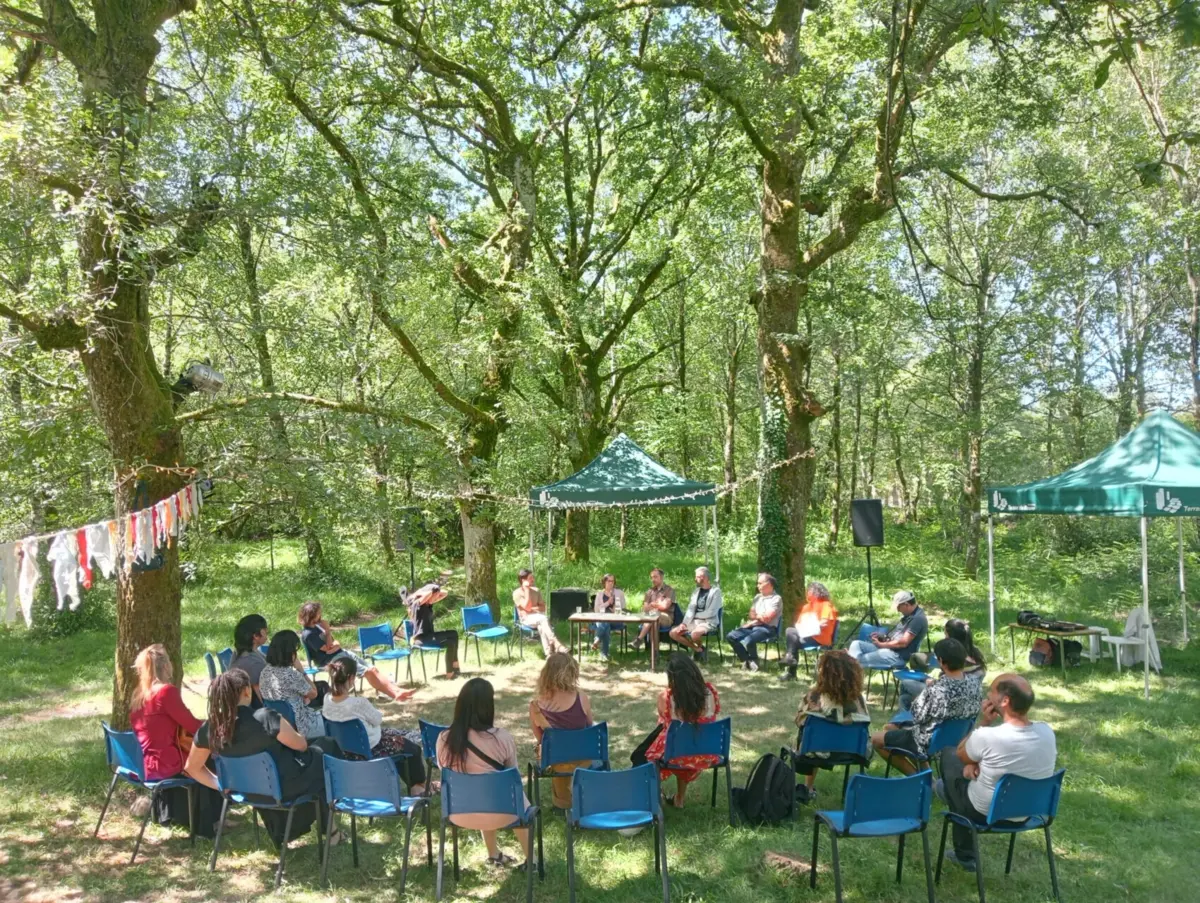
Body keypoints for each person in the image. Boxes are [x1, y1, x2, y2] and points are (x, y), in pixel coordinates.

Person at [185, 668, 345, 847]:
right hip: (284, 787)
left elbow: (192, 767)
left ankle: (324, 830)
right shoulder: (265, 718)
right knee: (326, 751)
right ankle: (332, 827)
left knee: (319, 761)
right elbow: (301, 745)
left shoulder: (210, 729)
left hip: (247, 791)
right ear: (247, 690)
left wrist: (222, 784)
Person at [939, 674, 1057, 873]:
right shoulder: (1047, 732)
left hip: (985, 813)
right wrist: (974, 763)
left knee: (949, 755)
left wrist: (984, 722)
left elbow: (961, 752)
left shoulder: (988, 736)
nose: (987, 694)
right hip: (1028, 812)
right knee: (965, 767)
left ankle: (965, 856)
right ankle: (945, 790)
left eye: (992, 690)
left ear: (1004, 701)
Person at [437, 678, 532, 868]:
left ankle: (493, 854)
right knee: (514, 794)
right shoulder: (502, 738)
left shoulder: (445, 739)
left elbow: (444, 771)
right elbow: (513, 774)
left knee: (480, 789)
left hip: (458, 814)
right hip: (507, 814)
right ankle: (532, 860)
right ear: (489, 706)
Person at [128, 644, 221, 835]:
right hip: (166, 762)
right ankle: (212, 820)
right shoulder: (165, 692)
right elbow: (193, 726)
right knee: (213, 755)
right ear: (166, 666)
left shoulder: (139, 694)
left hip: (145, 762)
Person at [871, 638, 982, 774]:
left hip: (928, 741)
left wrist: (925, 691)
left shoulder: (937, 689)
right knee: (891, 727)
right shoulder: (975, 684)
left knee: (876, 739)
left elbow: (917, 715)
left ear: (941, 661)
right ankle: (925, 770)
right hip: (959, 738)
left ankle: (921, 778)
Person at [322, 657, 430, 794]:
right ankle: (418, 786)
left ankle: (416, 785)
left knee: (399, 738)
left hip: (345, 750)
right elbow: (377, 719)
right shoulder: (357, 703)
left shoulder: (327, 699)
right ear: (350, 678)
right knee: (412, 749)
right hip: (370, 748)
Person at [635, 653, 721, 809]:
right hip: (707, 751)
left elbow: (663, 719)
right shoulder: (710, 691)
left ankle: (657, 793)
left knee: (650, 756)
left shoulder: (667, 697)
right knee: (687, 740)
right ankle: (679, 798)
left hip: (676, 754)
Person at [788, 650, 871, 800]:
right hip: (851, 752)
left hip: (815, 750)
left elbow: (799, 722)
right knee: (816, 736)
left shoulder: (814, 697)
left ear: (824, 673)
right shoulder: (859, 700)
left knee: (810, 736)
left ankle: (808, 788)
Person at [298, 601, 416, 702]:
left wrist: (336, 645)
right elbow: (328, 648)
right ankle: (395, 695)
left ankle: (397, 689)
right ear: (312, 615)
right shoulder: (308, 634)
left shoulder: (318, 627)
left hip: (340, 653)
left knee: (373, 669)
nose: (321, 614)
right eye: (319, 612)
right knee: (367, 672)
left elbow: (334, 643)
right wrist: (328, 632)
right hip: (330, 660)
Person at [528, 652, 595, 809]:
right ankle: (584, 796)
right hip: (583, 758)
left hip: (555, 761)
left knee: (555, 752)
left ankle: (563, 802)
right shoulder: (582, 697)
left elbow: (540, 738)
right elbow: (590, 727)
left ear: (546, 674)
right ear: (572, 672)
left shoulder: (536, 706)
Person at [899, 618, 987, 710]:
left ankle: (905, 718)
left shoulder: (953, 655)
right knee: (904, 698)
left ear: (952, 637)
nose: (945, 638)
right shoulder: (976, 653)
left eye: (946, 634)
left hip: (949, 697)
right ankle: (907, 715)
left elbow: (950, 683)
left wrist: (933, 682)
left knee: (905, 683)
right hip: (965, 696)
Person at [261, 630, 329, 739]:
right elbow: (314, 693)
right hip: (302, 726)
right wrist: (302, 671)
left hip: (277, 726)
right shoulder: (291, 674)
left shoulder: (264, 672)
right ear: (290, 653)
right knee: (334, 722)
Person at [847, 589, 929, 670]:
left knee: (855, 661)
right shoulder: (909, 615)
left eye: (899, 607)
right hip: (889, 649)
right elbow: (897, 635)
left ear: (906, 604)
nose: (898, 610)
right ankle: (850, 668)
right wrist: (882, 637)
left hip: (897, 656)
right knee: (856, 644)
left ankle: (848, 670)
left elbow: (903, 643)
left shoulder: (917, 619)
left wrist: (881, 645)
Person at [781, 582, 839, 681]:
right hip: (806, 635)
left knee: (792, 640)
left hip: (820, 638)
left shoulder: (826, 605)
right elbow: (799, 624)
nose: (807, 592)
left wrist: (810, 627)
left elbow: (824, 623)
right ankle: (790, 659)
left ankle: (790, 668)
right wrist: (805, 628)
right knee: (791, 633)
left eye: (809, 590)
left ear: (817, 592)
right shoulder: (806, 607)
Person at [725, 572, 783, 671]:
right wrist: (759, 617)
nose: (758, 586)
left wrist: (758, 617)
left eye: (760, 583)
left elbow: (767, 618)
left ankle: (753, 661)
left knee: (749, 639)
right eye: (757, 583)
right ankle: (747, 660)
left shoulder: (776, 599)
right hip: (753, 626)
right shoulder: (757, 597)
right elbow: (751, 615)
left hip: (767, 629)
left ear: (769, 584)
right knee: (731, 636)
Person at [405, 583, 461, 678]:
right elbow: (428, 595)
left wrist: (435, 591)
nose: (437, 598)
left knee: (454, 633)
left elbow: (445, 593)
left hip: (429, 636)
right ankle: (450, 674)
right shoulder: (417, 604)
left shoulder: (428, 604)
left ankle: (455, 666)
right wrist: (426, 592)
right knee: (450, 643)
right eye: (435, 596)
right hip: (421, 639)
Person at [669, 566, 724, 661]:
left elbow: (711, 612)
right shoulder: (696, 591)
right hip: (695, 622)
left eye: (697, 577)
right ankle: (698, 649)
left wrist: (695, 615)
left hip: (709, 622)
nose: (695, 579)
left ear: (705, 578)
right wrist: (684, 623)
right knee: (673, 633)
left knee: (695, 634)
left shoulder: (716, 592)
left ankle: (699, 650)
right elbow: (691, 609)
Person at [513, 568, 567, 657]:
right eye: (530, 578)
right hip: (526, 619)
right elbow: (527, 606)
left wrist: (532, 609)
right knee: (543, 618)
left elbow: (543, 608)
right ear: (523, 580)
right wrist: (526, 590)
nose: (533, 580)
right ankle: (556, 642)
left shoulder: (536, 591)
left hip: (539, 618)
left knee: (542, 626)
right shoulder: (516, 593)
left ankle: (549, 654)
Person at [229, 614, 269, 705]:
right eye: (265, 631)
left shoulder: (244, 652)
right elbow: (264, 699)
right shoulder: (251, 662)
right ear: (256, 635)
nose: (267, 634)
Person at [633, 567, 677, 651]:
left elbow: (665, 607)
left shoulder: (669, 590)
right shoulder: (650, 591)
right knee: (653, 621)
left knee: (655, 615)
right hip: (652, 617)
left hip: (666, 617)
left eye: (655, 577)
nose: (653, 579)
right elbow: (645, 608)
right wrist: (657, 604)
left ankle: (639, 639)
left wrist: (653, 605)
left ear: (661, 577)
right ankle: (655, 653)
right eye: (652, 577)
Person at [590, 573, 627, 661]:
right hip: (601, 620)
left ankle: (597, 639)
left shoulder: (619, 593)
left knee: (605, 624)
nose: (611, 583)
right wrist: (608, 603)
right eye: (608, 581)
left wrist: (616, 609)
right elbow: (596, 610)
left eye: (612, 581)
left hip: (616, 621)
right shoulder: (599, 594)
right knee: (605, 624)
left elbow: (624, 608)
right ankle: (604, 654)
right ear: (604, 582)